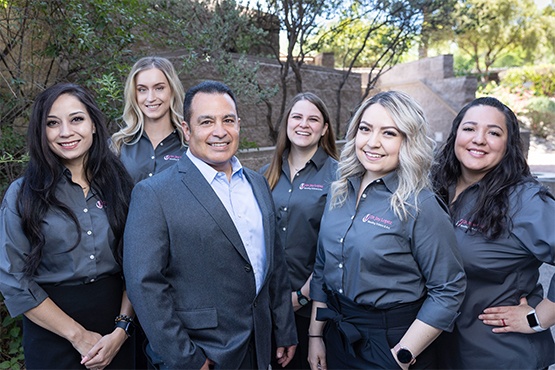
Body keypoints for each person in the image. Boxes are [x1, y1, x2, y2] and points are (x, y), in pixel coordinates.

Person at [123, 80, 297, 369]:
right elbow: (145, 286)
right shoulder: (154, 194)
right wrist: (187, 359)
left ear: (239, 124)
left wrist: (284, 328)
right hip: (202, 354)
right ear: (187, 129)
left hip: (260, 347)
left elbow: (274, 264)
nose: (220, 131)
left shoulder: (257, 183)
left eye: (228, 120)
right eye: (206, 122)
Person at [307, 90, 467, 370]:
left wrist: (403, 356)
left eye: (389, 133)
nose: (372, 142)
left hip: (393, 342)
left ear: (409, 141)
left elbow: (448, 288)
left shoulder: (420, 205)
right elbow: (323, 268)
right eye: (365, 129)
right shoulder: (339, 191)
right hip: (338, 334)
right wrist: (315, 335)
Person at [0, 83, 135, 369]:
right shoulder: (22, 194)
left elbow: (137, 265)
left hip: (116, 332)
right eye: (52, 123)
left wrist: (122, 330)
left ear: (94, 125)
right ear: (41, 131)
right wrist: (78, 335)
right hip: (51, 334)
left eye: (76, 119)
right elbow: (14, 281)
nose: (65, 132)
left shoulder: (121, 185)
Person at [432, 96, 555, 369]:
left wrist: (539, 318)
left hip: (499, 354)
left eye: (494, 132)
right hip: (439, 349)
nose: (479, 139)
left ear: (508, 144)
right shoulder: (435, 187)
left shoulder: (526, 201)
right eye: (469, 129)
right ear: (456, 135)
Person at [260, 92, 338, 369]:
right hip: (267, 308)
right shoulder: (262, 176)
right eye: (297, 117)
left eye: (313, 119)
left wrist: (304, 294)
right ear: (287, 123)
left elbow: (338, 246)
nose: (304, 124)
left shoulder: (338, 178)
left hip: (314, 309)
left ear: (324, 129)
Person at [111, 56, 186, 184]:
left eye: (159, 88)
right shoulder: (118, 145)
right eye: (142, 90)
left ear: (172, 90)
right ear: (134, 95)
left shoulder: (189, 145)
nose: (151, 98)